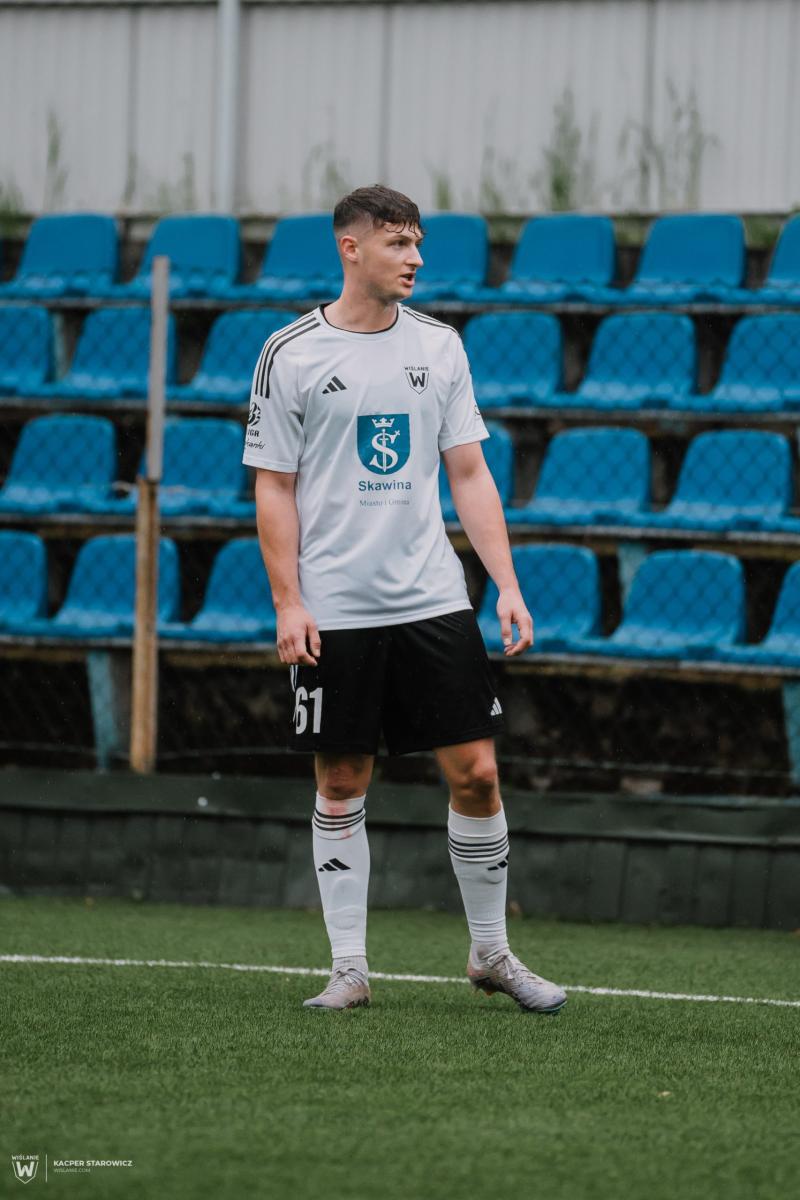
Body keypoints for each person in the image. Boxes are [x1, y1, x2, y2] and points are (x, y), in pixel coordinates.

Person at [243, 184, 566, 1015]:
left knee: (479, 775)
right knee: (342, 779)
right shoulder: (290, 353)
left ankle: (491, 953)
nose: (415, 258)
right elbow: (273, 487)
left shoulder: (440, 347)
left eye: (418, 243)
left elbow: (470, 472)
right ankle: (349, 969)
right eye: (398, 243)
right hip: (336, 608)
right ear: (351, 249)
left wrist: (506, 584)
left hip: (432, 600)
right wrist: (288, 602)